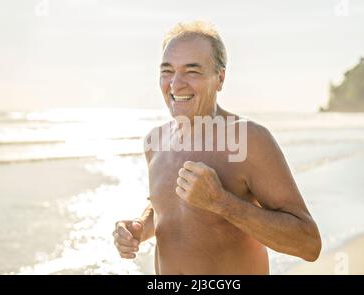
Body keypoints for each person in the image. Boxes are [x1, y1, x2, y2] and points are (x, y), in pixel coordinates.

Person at [113, 21, 321, 275]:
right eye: (167, 71)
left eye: (192, 71)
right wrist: (138, 227)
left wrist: (222, 202)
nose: (176, 84)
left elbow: (308, 244)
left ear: (219, 78)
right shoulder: (155, 142)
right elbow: (165, 210)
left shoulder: (248, 139)